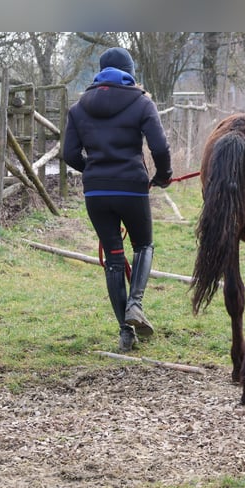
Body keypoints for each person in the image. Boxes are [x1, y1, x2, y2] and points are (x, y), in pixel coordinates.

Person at [63, 47, 172, 353]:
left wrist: (94, 172)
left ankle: (126, 333)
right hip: (132, 189)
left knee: (113, 258)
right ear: (129, 73)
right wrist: (163, 175)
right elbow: (160, 147)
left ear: (100, 73)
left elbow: (69, 154)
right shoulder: (140, 101)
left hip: (96, 193)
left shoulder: (79, 107)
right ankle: (135, 304)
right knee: (143, 246)